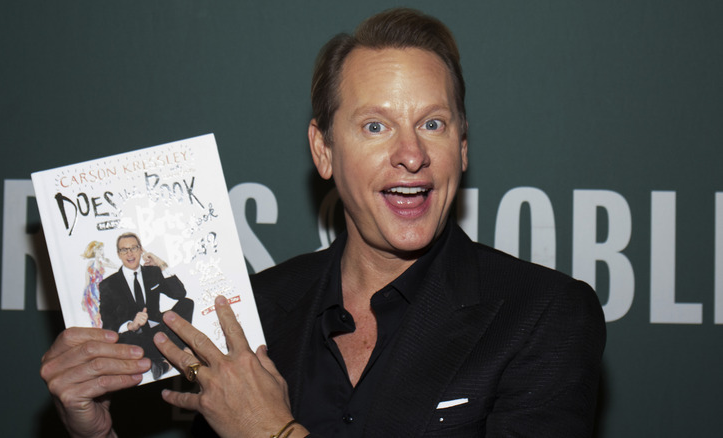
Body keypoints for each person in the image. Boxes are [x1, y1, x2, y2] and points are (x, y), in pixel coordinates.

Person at [40, 8, 606, 437]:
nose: (411, 154)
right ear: (324, 149)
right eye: (376, 127)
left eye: (433, 124)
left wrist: (274, 433)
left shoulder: (544, 318)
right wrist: (98, 432)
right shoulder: (250, 313)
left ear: (462, 147)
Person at [98, 232, 194, 380]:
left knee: (187, 303)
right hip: (137, 336)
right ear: (118, 254)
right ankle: (185, 352)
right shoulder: (108, 284)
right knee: (126, 341)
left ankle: (165, 363)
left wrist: (161, 264)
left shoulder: (152, 272)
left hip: (158, 326)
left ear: (141, 250)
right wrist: (131, 325)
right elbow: (108, 324)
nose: (129, 253)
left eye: (134, 248)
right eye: (124, 250)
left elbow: (179, 293)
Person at [80, 241, 116, 328]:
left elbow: (116, 267)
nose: (102, 252)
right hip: (91, 293)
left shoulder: (102, 263)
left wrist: (107, 260)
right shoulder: (90, 264)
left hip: (101, 291)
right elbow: (87, 282)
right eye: (100, 250)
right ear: (95, 250)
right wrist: (83, 299)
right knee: (95, 316)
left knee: (102, 314)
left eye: (102, 250)